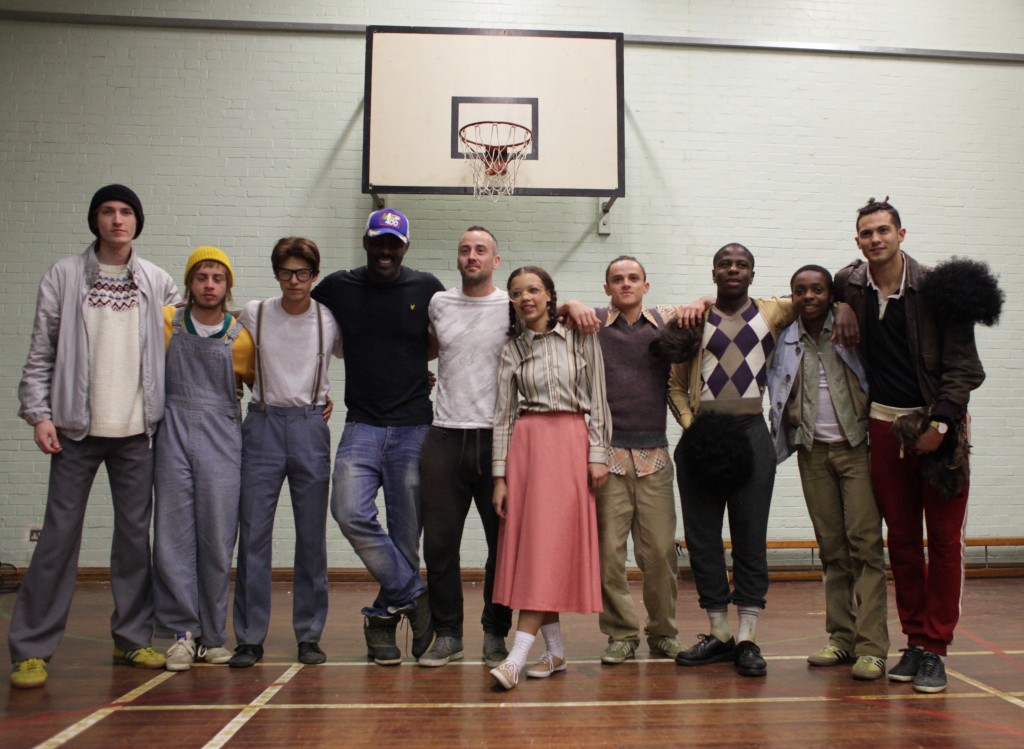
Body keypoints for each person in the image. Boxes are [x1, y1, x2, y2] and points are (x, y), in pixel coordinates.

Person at [11, 184, 180, 689]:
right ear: (95, 220)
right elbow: (41, 352)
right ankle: (31, 649)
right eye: (107, 211)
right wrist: (39, 413)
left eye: (126, 211)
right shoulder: (63, 276)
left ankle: (132, 638)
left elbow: (188, 343)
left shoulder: (158, 281)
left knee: (133, 542)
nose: (117, 219)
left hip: (138, 434)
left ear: (137, 221)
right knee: (58, 541)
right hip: (74, 432)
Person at [834, 198, 986, 694]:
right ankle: (915, 641)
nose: (875, 239)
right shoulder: (850, 284)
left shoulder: (939, 290)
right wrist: (838, 304)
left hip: (938, 428)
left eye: (883, 231)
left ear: (902, 234)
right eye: (866, 233)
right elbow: (814, 289)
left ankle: (937, 648)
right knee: (900, 542)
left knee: (943, 543)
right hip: (883, 428)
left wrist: (941, 426)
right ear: (857, 242)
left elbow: (965, 368)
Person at [311, 208, 442, 665]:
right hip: (361, 425)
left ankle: (382, 626)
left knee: (406, 539)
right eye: (378, 241)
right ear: (366, 242)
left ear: (405, 246)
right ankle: (416, 595)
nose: (386, 250)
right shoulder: (335, 288)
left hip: (413, 427)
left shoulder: (427, 287)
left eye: (394, 242)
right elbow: (303, 329)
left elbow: (447, 337)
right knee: (348, 510)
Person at [665, 243, 794, 678]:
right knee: (702, 538)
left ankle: (748, 638)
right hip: (703, 438)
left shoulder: (773, 312)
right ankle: (719, 632)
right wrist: (691, 425)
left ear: (753, 274)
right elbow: (675, 384)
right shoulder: (694, 318)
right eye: (725, 264)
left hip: (752, 434)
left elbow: (823, 292)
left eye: (741, 264)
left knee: (750, 536)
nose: (733, 269)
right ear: (714, 271)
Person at [489, 266, 612, 690]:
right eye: (517, 292)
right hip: (527, 447)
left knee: (550, 548)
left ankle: (516, 658)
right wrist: (500, 477)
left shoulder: (581, 336)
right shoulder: (512, 349)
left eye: (533, 290)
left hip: (571, 444)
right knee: (539, 549)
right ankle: (554, 651)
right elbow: (503, 416)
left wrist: (598, 454)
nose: (525, 297)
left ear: (549, 295)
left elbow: (599, 397)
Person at [767, 265, 888, 681]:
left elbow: (857, 276)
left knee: (866, 546)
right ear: (792, 295)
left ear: (829, 293)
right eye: (800, 290)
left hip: (856, 449)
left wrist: (842, 304)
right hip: (811, 452)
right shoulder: (783, 338)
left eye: (818, 289)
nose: (809, 296)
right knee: (832, 548)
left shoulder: (849, 326)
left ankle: (872, 648)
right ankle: (842, 638)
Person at [230, 237, 341, 669]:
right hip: (261, 424)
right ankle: (249, 637)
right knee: (253, 535)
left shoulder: (328, 319)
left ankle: (309, 636)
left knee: (311, 538)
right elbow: (221, 352)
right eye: (286, 272)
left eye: (303, 273)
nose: (294, 281)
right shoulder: (254, 314)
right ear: (276, 273)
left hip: (310, 426)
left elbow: (372, 355)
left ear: (315, 275)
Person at [153, 247, 255, 671]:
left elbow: (264, 386)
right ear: (190, 283)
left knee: (217, 538)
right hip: (172, 431)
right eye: (201, 277)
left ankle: (213, 636)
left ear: (228, 286)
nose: (209, 285)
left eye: (217, 278)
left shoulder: (241, 336)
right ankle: (180, 634)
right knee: (172, 536)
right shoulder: (164, 323)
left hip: (222, 438)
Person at [417, 227, 514, 668]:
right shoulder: (439, 303)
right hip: (445, 435)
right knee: (439, 546)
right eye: (464, 250)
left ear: (495, 260)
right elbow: (428, 350)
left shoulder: (512, 305)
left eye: (481, 250)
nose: (471, 255)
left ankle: (496, 634)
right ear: (458, 260)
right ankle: (448, 635)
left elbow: (555, 318)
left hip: (498, 438)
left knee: (503, 545)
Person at [593, 256, 682, 665]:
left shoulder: (666, 321)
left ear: (646, 285)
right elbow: (551, 308)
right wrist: (568, 305)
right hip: (607, 456)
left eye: (633, 278)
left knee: (660, 551)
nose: (625, 284)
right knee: (610, 552)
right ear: (607, 287)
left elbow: (709, 307)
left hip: (655, 456)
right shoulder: (592, 324)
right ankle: (622, 634)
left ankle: (663, 631)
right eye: (617, 279)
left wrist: (699, 300)